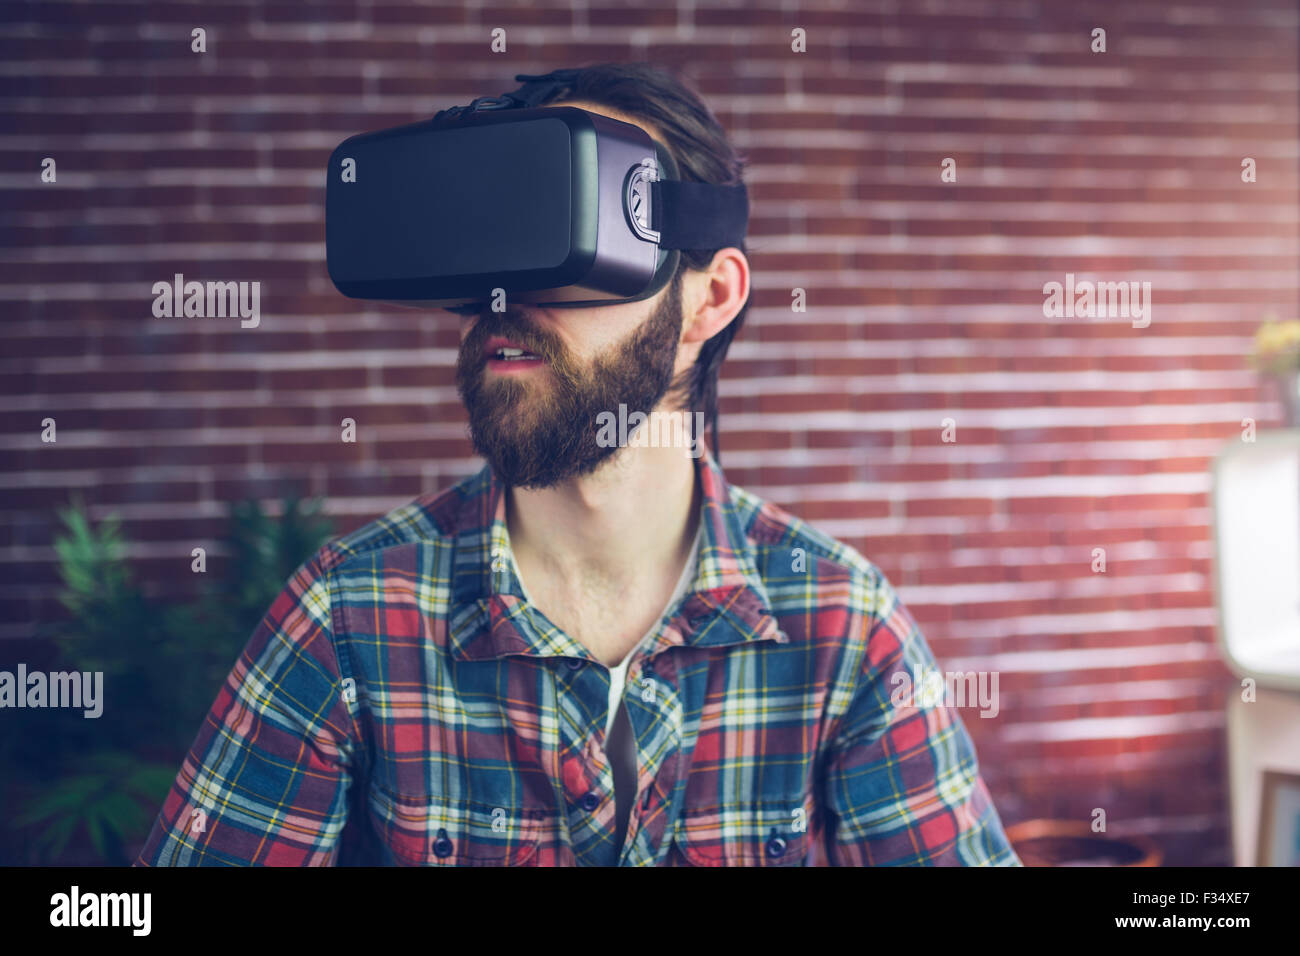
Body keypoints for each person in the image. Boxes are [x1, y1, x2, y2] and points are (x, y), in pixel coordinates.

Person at [134, 62, 1020, 867]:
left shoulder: (842, 629)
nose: (505, 297)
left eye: (565, 225)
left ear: (710, 297)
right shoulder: (350, 616)